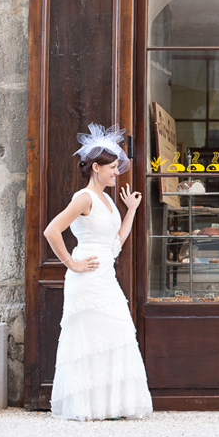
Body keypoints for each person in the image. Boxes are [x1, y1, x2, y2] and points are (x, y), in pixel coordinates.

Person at [43, 123, 153, 421]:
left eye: (117, 167)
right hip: (87, 278)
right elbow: (52, 230)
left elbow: (115, 242)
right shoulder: (85, 197)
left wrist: (130, 210)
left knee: (116, 333)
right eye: (113, 167)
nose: (117, 172)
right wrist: (71, 263)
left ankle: (110, 405)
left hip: (107, 274)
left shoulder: (107, 199)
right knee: (89, 338)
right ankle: (87, 405)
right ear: (96, 167)